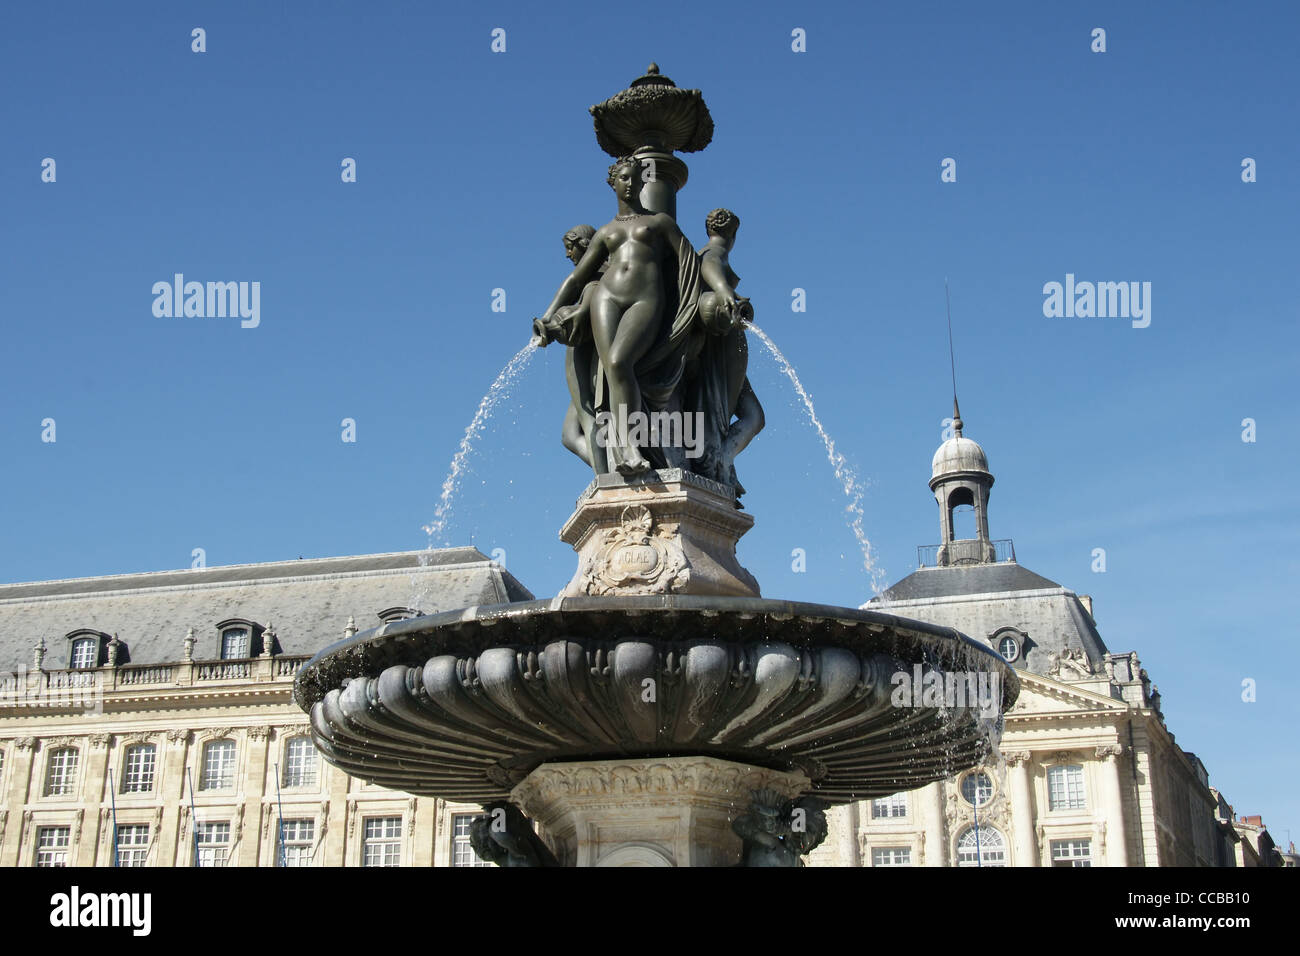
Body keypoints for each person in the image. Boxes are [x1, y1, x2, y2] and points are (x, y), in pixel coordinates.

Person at [537, 156, 699, 475]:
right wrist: (547, 316)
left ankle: (632, 444)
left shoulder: (659, 223)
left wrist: (688, 306)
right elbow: (576, 278)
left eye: (635, 178)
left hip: (645, 299)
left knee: (618, 362)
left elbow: (688, 261)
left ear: (642, 183)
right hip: (607, 297)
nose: (629, 183)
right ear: (613, 183)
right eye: (623, 178)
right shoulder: (606, 232)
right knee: (611, 371)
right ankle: (625, 450)